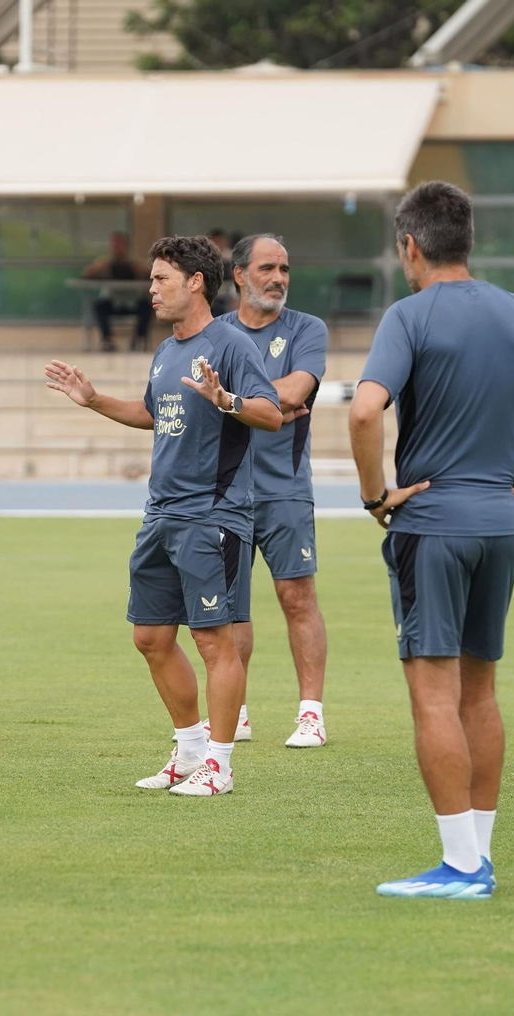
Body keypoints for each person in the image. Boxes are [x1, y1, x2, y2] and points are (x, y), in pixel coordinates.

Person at [352, 181, 514, 899]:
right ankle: (476, 856)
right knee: (479, 692)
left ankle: (461, 867)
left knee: (433, 695)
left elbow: (364, 412)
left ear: (410, 246)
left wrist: (374, 497)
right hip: (498, 521)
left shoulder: (409, 315)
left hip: (433, 523)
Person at [46, 235, 280, 797]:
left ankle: (219, 765)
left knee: (214, 642)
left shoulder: (230, 344)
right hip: (161, 514)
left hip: (212, 514)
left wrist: (225, 400)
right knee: (150, 637)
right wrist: (94, 400)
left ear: (195, 282)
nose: (150, 289)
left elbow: (271, 413)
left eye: (160, 279)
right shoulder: (166, 351)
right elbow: (153, 413)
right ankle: (190, 749)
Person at [216, 234, 330, 748]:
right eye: (267, 268)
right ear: (240, 275)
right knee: (229, 607)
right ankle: (235, 711)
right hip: (226, 491)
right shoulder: (215, 332)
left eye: (284, 269)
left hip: (285, 488)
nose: (279, 278)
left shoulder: (307, 328)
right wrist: (265, 403)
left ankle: (311, 715)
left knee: (297, 596)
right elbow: (208, 398)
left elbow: (297, 390)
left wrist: (229, 399)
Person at [82, 231, 151, 352]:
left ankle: (139, 339)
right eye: (115, 244)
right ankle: (107, 340)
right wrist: (97, 268)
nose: (117, 247)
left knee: (147, 307)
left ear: (126, 246)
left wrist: (140, 269)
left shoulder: (134, 263)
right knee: (99, 307)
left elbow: (151, 274)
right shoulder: (105, 263)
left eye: (120, 244)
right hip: (112, 302)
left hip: (133, 302)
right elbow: (86, 274)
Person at [207, 228, 236, 315]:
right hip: (212, 293)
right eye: (216, 241)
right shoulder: (206, 256)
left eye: (220, 241)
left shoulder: (231, 256)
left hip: (228, 292)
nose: (218, 244)